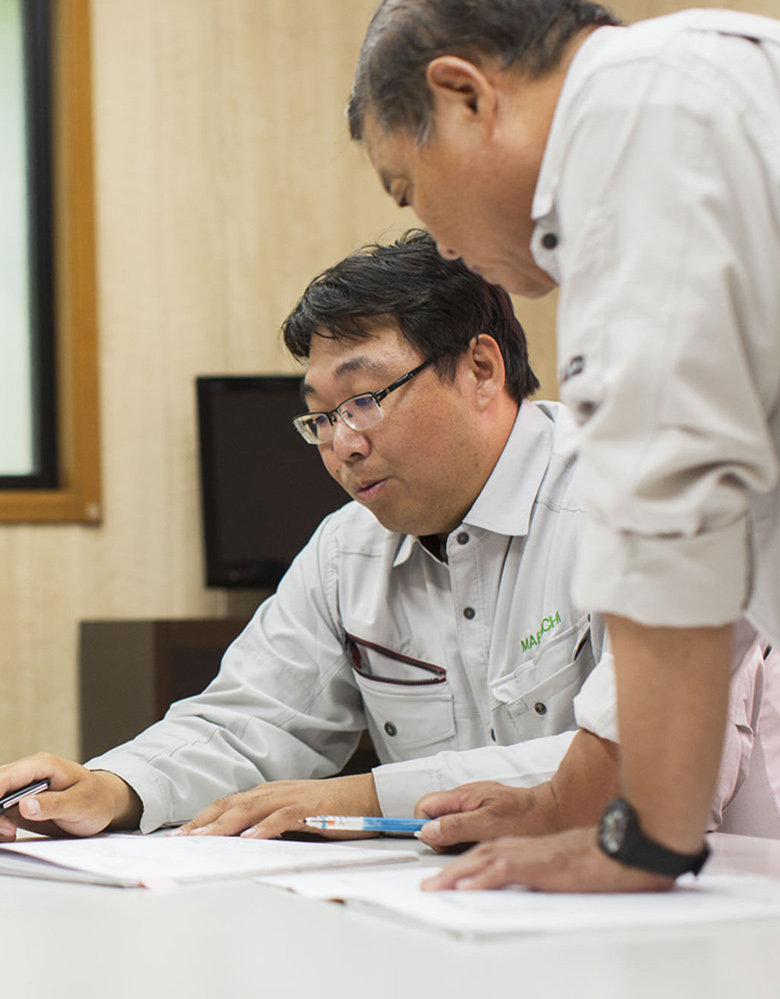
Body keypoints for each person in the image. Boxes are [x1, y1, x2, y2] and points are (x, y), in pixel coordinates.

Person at [0, 231, 623, 840]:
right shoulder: (348, 550)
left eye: (366, 399)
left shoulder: (618, 498)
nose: (343, 445)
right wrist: (112, 787)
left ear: (481, 368)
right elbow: (250, 721)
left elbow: (636, 748)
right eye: (321, 418)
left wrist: (368, 795)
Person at [348, 0, 780, 892]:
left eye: (408, 186)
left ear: (464, 95)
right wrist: (566, 803)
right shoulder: (705, 80)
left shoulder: (638, 120)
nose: (437, 239)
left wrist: (642, 843)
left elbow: (675, 508)